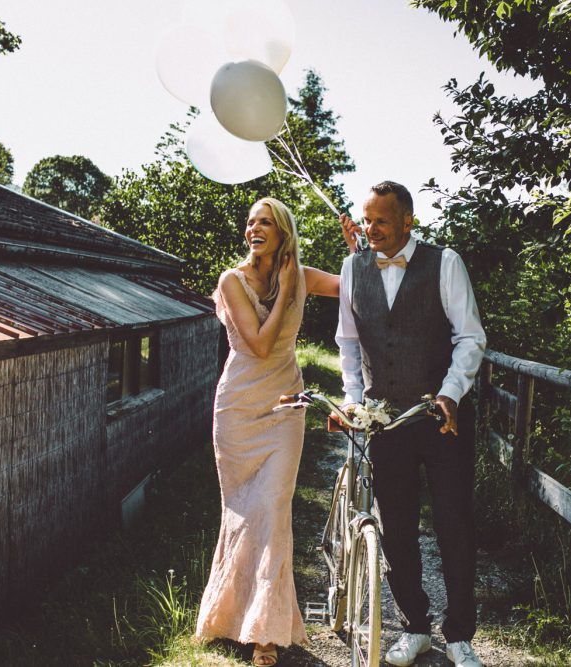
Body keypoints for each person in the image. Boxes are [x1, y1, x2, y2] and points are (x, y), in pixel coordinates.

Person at [336, 181, 487, 667]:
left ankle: (460, 635)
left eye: (381, 219)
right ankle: (415, 627)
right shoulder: (352, 268)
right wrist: (354, 404)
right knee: (396, 528)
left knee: (453, 524)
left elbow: (470, 337)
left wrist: (450, 392)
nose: (370, 228)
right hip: (387, 424)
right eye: (366, 219)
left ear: (408, 221)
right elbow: (348, 346)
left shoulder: (444, 263)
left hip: (442, 421)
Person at [195, 197, 340, 667]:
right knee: (243, 511)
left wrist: (358, 251)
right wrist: (285, 289)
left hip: (284, 409)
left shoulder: (301, 274)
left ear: (283, 233)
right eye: (251, 222)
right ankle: (229, 616)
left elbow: (352, 287)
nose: (254, 228)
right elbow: (258, 344)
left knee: (274, 509)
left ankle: (265, 633)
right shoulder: (232, 280)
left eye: (265, 222)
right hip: (239, 409)